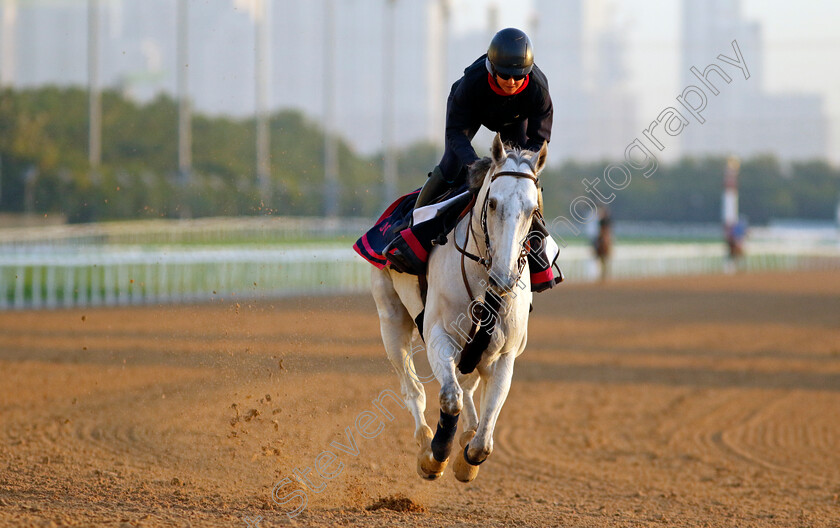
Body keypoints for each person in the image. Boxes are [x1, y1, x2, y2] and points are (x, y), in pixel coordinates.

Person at [383, 27, 558, 291]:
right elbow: (455, 132)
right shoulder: (473, 82)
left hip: (515, 123)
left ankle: (537, 249)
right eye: (504, 76)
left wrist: (523, 165)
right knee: (450, 168)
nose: (511, 82)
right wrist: (474, 165)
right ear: (491, 68)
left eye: (518, 77)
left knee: (525, 182)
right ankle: (412, 235)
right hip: (473, 113)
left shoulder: (538, 88)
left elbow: (538, 140)